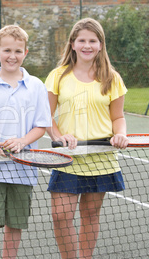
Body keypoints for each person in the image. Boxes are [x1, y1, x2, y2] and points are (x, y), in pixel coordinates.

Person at [45, 18, 129, 259]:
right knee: (60, 216)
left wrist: (121, 134)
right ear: (72, 44)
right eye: (81, 40)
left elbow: (118, 117)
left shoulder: (112, 78)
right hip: (67, 158)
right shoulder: (58, 75)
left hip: (100, 158)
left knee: (90, 215)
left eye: (93, 40)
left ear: (100, 45)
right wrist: (60, 136)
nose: (87, 45)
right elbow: (46, 117)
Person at [0, 25, 52, 258]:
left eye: (18, 51)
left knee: (15, 224)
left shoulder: (37, 86)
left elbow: (41, 125)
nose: (12, 56)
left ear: (25, 53)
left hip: (24, 169)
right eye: (7, 50)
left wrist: (22, 141)